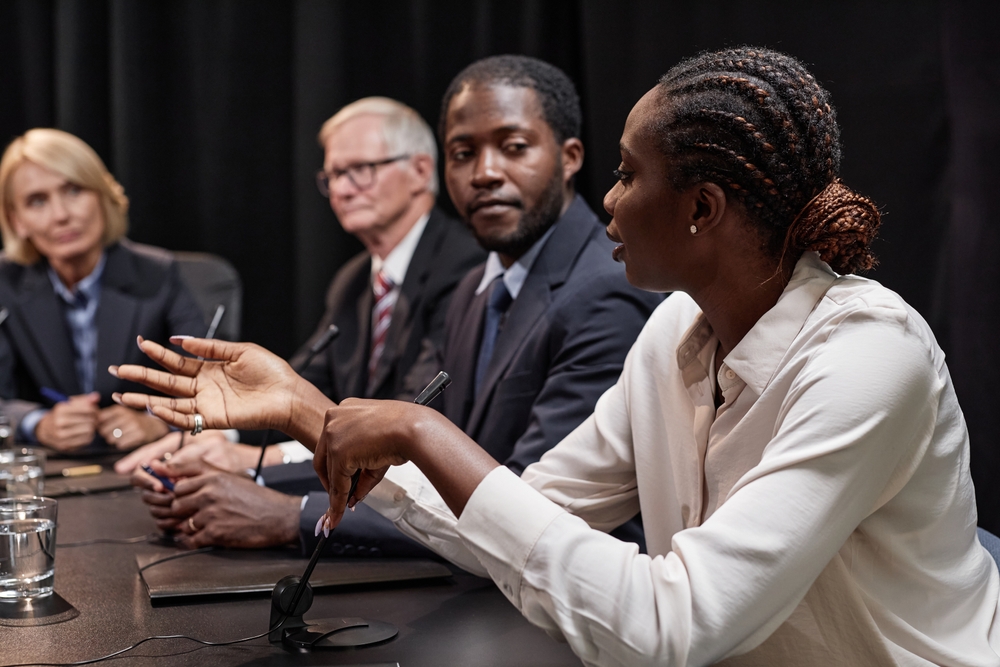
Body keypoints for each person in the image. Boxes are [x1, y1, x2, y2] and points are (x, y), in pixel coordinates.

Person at [114, 46, 1000, 665]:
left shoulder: (865, 360)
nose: (607, 200)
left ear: (702, 209)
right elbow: (510, 518)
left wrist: (423, 431)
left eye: (624, 172)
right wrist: (311, 409)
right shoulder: (672, 334)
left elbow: (670, 628)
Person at [118, 97, 484, 553]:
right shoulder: (355, 280)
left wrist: (256, 460)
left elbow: (407, 425)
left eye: (360, 170)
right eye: (332, 176)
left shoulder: (465, 268)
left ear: (419, 170)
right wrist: (214, 431)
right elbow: (302, 387)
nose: (342, 190)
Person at [0, 128, 205, 452]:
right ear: (17, 221)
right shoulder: (4, 282)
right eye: (37, 201)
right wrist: (37, 422)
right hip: (48, 471)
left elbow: (209, 385)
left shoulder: (157, 273)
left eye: (73, 191)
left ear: (102, 194)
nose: (61, 215)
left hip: (138, 464)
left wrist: (155, 419)